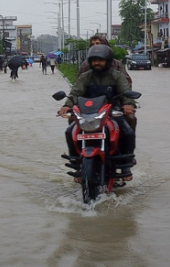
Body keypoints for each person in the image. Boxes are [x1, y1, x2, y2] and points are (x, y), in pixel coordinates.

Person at [57, 44, 136, 180]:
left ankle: (125, 165)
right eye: (94, 60)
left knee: (127, 131)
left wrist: (128, 104)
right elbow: (75, 93)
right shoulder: (85, 77)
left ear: (108, 61)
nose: (97, 63)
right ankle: (76, 164)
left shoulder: (117, 76)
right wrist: (67, 105)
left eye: (100, 60)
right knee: (70, 131)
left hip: (111, 112)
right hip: (88, 113)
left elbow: (125, 92)